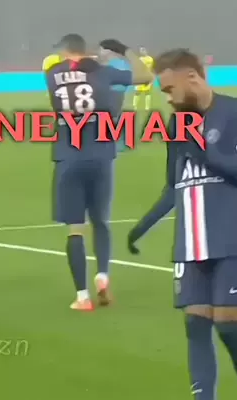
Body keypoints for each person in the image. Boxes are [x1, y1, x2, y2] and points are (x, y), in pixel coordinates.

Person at [127, 48, 237, 400]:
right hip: (190, 240)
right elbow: (174, 184)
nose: (167, 98)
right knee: (195, 324)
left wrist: (202, 149)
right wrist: (142, 225)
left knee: (228, 325)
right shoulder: (177, 123)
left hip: (232, 235)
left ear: (192, 77)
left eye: (170, 89)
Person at [46, 34, 152, 310]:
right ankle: (103, 276)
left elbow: (70, 78)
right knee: (101, 221)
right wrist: (124, 51)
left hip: (69, 156)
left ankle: (82, 296)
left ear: (65, 51)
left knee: (75, 229)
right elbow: (145, 76)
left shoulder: (52, 74)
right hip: (101, 155)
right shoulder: (103, 72)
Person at [99, 40, 132, 153]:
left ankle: (116, 145)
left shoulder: (112, 65)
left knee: (112, 118)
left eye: (101, 49)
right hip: (119, 93)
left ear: (108, 51)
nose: (99, 52)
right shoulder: (123, 64)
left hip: (113, 93)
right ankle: (121, 144)